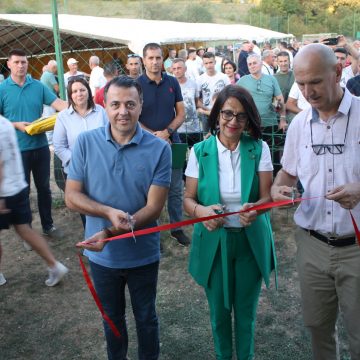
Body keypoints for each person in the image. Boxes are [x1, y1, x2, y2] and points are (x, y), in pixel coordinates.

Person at [65, 76, 171, 360]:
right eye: (115, 104)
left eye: (130, 104)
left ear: (141, 106)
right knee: (112, 319)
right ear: (104, 105)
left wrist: (110, 232)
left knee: (146, 318)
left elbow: (154, 208)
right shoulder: (86, 143)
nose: (122, 111)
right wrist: (107, 212)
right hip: (102, 259)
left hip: (143, 256)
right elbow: (71, 196)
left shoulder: (160, 148)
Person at [271, 43, 360, 360]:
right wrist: (278, 190)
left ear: (338, 72)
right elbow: (287, 174)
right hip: (312, 247)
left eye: (315, 82)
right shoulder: (298, 125)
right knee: (319, 329)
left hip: (356, 249)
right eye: (302, 83)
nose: (308, 92)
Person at [184, 85, 276, 360]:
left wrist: (256, 210)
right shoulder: (200, 151)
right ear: (216, 114)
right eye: (227, 114)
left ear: (249, 120)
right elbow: (188, 200)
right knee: (219, 315)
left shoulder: (259, 148)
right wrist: (202, 213)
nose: (233, 122)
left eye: (241, 116)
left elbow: (267, 198)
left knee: (246, 314)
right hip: (215, 244)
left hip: (249, 242)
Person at [0, 49, 67, 238]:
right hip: (16, 149)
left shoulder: (37, 86)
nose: (21, 65)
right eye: (17, 62)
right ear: (9, 64)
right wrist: (15, 125)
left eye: (24, 62)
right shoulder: (2, 89)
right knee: (24, 190)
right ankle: (27, 230)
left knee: (44, 188)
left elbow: (58, 104)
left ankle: (48, 225)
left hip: (40, 146)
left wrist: (79, 108)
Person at [0, 115, 68, 287]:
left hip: (4, 192)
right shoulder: (5, 123)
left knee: (25, 230)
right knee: (25, 230)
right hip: (17, 186)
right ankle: (54, 265)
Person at [137, 43, 190, 246]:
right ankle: (153, 231)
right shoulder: (136, 85)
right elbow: (134, 117)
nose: (155, 62)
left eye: (158, 57)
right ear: (144, 60)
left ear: (163, 59)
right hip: (145, 146)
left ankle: (176, 228)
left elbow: (181, 113)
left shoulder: (172, 83)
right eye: (150, 58)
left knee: (176, 188)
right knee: (148, 190)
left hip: (172, 143)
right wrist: (153, 136)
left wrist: (167, 132)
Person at [53, 76, 108, 193]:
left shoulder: (101, 112)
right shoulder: (63, 117)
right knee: (84, 207)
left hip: (101, 168)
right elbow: (59, 147)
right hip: (76, 171)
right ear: (70, 95)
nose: (79, 94)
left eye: (82, 90)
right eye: (74, 91)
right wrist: (77, 161)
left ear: (88, 91)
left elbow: (110, 137)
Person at [237, 54, 286, 175]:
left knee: (272, 156)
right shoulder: (242, 81)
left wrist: (283, 118)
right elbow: (234, 98)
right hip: (250, 125)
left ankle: (274, 184)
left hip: (270, 123)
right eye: (249, 64)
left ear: (260, 63)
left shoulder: (271, 79)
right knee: (251, 155)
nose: (252, 66)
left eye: (254, 63)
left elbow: (279, 99)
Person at [197, 52, 231, 132]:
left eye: (211, 62)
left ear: (215, 62)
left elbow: (229, 95)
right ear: (203, 64)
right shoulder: (200, 79)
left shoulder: (224, 77)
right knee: (206, 138)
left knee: (223, 136)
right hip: (206, 114)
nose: (209, 65)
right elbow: (196, 99)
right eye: (206, 63)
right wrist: (206, 109)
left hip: (222, 113)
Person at [171, 58, 202, 147]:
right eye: (174, 69)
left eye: (179, 68)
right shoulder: (170, 86)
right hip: (178, 129)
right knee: (181, 158)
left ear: (185, 69)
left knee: (198, 155)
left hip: (194, 128)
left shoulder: (193, 84)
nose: (177, 71)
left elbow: (195, 102)